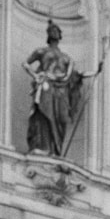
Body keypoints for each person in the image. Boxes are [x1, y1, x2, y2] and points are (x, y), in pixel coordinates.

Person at [23, 20, 84, 158]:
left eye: (56, 30)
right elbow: (25, 64)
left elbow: (73, 75)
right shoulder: (41, 51)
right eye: (51, 30)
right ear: (48, 35)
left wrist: (95, 71)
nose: (53, 32)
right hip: (45, 86)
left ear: (60, 35)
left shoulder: (67, 58)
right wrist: (36, 76)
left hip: (61, 91)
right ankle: (43, 146)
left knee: (61, 119)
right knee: (43, 115)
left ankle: (56, 150)